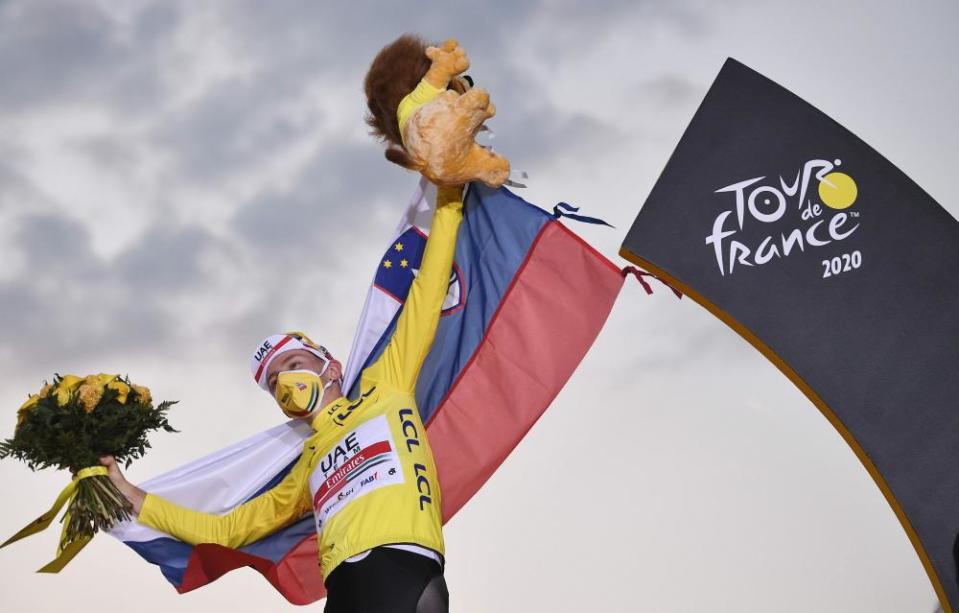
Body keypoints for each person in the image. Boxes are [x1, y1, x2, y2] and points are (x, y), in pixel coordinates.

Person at [101, 182, 465, 613]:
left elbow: (425, 295)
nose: (284, 383)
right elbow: (231, 529)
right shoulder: (308, 461)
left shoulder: (385, 385)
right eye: (274, 382)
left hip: (402, 566)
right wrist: (136, 498)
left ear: (329, 367)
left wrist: (449, 195)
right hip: (344, 587)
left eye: (292, 365)